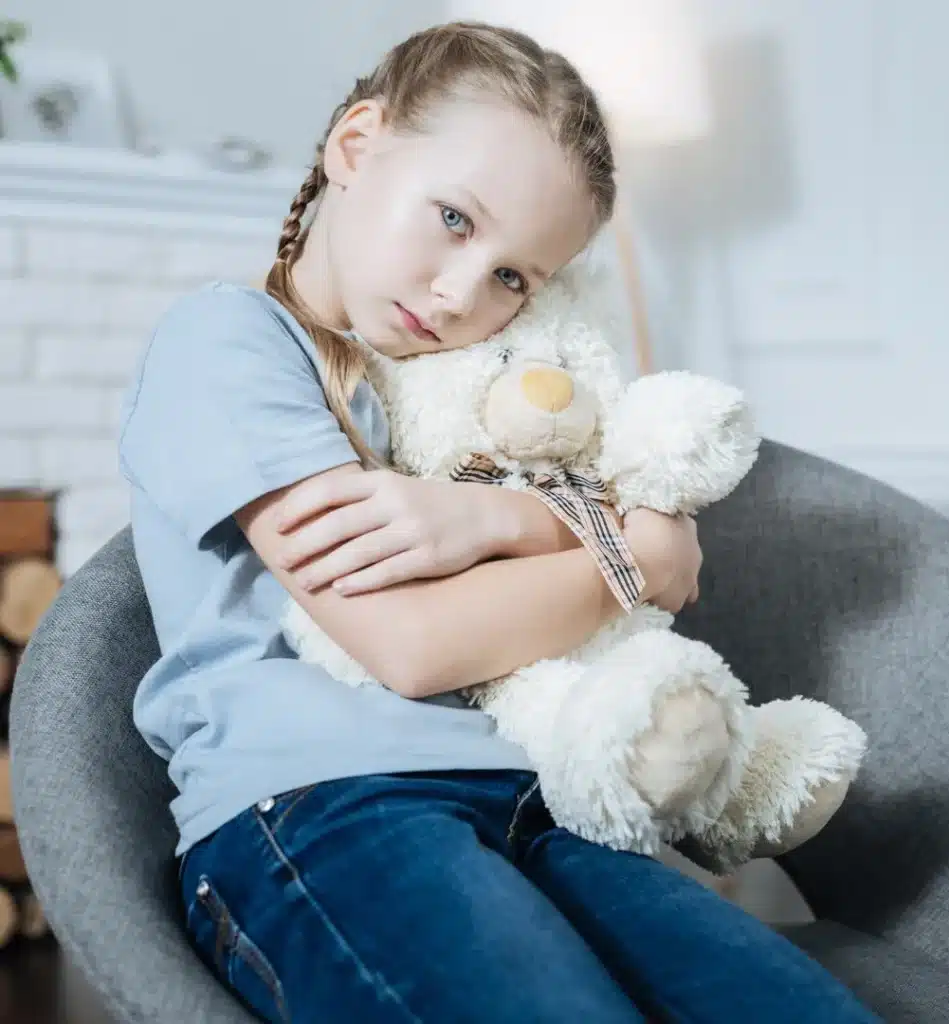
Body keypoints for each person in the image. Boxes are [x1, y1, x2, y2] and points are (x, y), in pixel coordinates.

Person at [117, 20, 880, 1024]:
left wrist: (489, 517)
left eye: (515, 276)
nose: (462, 291)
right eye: (453, 218)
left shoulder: (459, 391)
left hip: (534, 798)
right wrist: (635, 556)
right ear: (356, 146)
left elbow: (549, 503)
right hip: (322, 806)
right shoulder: (230, 342)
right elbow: (412, 643)